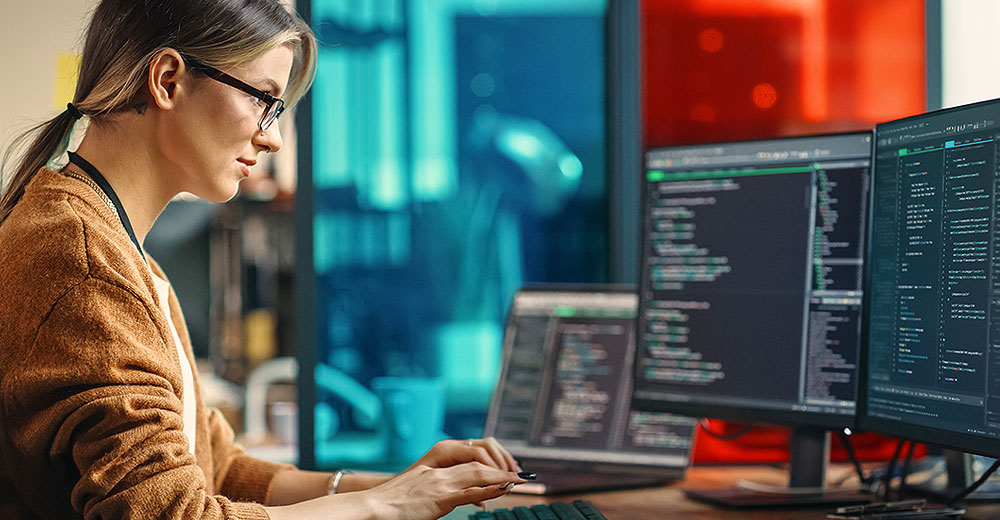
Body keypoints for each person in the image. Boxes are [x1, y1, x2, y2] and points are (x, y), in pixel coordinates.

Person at [0, 1, 529, 518]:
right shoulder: (84, 266)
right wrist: (382, 507)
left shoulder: (120, 255)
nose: (273, 137)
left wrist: (396, 483)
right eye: (263, 99)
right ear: (167, 81)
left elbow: (217, 469)